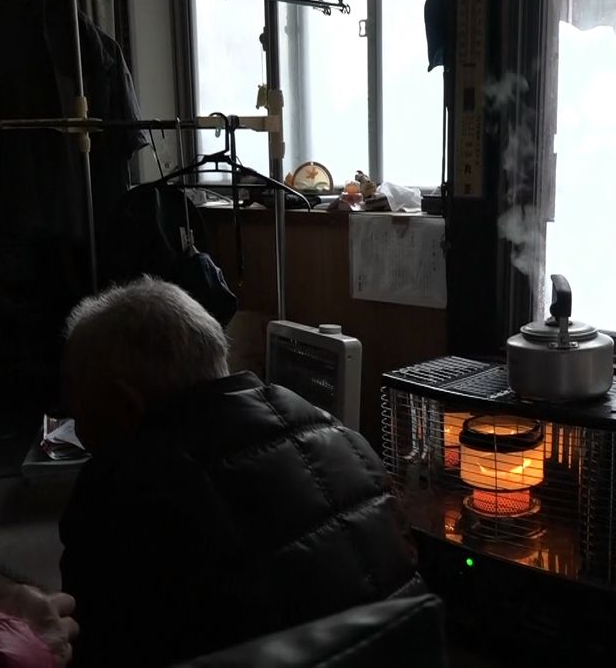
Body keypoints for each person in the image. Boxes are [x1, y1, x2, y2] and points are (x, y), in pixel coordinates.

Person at [57, 277, 422, 668]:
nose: (79, 431)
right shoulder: (348, 439)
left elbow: (95, 651)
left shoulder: (117, 493)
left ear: (123, 402)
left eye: (81, 410)